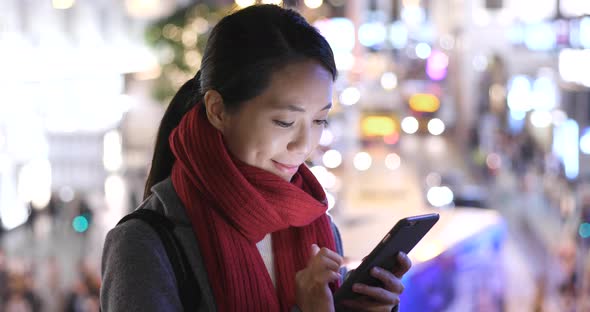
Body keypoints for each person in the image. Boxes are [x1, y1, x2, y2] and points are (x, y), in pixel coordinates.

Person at [100, 4, 411, 311]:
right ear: (218, 110)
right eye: (285, 122)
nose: (304, 145)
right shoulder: (144, 245)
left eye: (319, 121)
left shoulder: (321, 229)